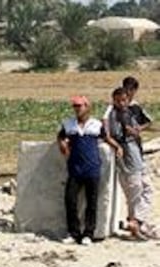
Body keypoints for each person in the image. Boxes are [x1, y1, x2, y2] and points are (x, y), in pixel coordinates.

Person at [57, 96, 123, 245]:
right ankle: (73, 233)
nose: (77, 109)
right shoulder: (69, 124)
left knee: (91, 203)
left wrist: (117, 147)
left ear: (87, 107)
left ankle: (88, 233)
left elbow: (106, 138)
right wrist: (62, 144)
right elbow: (61, 136)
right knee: (70, 200)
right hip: (74, 168)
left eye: (80, 106)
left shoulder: (96, 124)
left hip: (92, 168)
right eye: (75, 106)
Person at [106, 87, 154, 240]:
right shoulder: (113, 115)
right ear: (114, 100)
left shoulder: (130, 112)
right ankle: (135, 223)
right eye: (119, 100)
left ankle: (136, 221)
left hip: (136, 155)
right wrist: (118, 145)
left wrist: (137, 130)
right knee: (135, 192)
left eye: (124, 100)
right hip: (128, 157)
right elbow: (109, 134)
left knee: (146, 189)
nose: (122, 103)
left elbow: (146, 123)